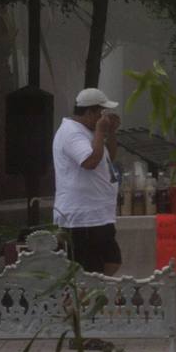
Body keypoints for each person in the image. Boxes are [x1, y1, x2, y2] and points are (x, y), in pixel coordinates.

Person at [52, 87, 123, 275]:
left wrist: (111, 132)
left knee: (111, 261)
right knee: (89, 269)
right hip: (82, 216)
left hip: (98, 213)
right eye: (101, 113)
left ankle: (89, 299)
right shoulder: (71, 132)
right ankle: (77, 303)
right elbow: (90, 162)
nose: (104, 117)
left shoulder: (88, 131)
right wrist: (100, 131)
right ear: (90, 112)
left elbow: (109, 157)